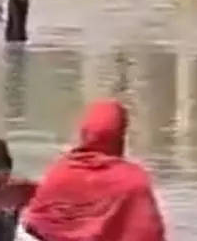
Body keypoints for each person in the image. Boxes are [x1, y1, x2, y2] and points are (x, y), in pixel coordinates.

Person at [21, 99, 166, 241]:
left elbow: (34, 225)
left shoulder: (59, 173)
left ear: (84, 132)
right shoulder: (133, 180)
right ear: (120, 135)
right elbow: (149, 234)